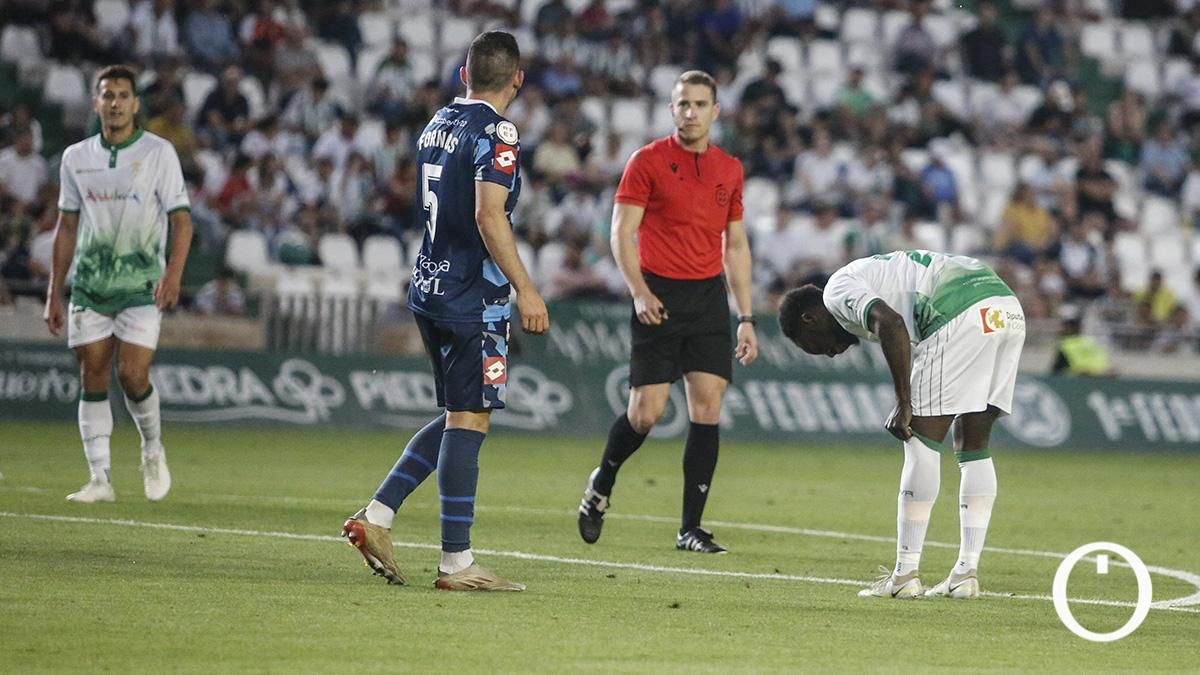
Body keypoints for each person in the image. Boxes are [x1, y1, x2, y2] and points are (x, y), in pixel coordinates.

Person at [341, 32, 548, 591]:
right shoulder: (497, 131)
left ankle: (379, 516)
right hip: (471, 297)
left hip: (429, 286)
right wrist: (525, 289)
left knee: (462, 412)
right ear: (517, 80)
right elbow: (489, 215)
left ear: (464, 74)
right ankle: (457, 561)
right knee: (473, 415)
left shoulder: (439, 123)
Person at [576, 70, 758, 554]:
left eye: (700, 104)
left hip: (707, 299)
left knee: (707, 407)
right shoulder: (648, 162)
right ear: (672, 109)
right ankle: (602, 481)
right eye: (683, 104)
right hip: (657, 293)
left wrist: (746, 316)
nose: (691, 112)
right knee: (646, 414)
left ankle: (690, 528)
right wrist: (638, 291)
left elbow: (736, 245)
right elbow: (621, 233)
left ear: (716, 111)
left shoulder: (729, 169)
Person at [778, 250, 1024, 599]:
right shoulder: (872, 275)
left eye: (813, 347)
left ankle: (905, 574)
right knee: (974, 444)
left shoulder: (836, 290)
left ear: (808, 319)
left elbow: (890, 323)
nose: (830, 354)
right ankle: (965, 574)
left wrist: (904, 402)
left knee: (920, 441)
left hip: (958, 311)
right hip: (1005, 309)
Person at [43, 65, 194, 504]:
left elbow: (182, 222)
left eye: (123, 95)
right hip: (90, 284)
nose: (115, 102)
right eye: (107, 95)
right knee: (92, 372)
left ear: (135, 103)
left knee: (131, 373)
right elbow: (66, 227)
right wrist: (55, 292)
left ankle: (152, 448)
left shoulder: (158, 153)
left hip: (141, 283)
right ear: (96, 103)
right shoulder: (76, 158)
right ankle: (100, 479)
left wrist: (173, 275)